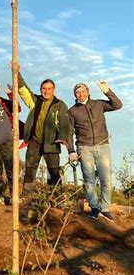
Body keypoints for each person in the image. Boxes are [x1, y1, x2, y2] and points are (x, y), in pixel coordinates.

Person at [67, 81, 122, 221]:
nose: (81, 94)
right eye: (78, 92)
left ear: (88, 91)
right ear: (75, 94)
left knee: (106, 179)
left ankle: (105, 208)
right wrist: (71, 151)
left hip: (103, 145)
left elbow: (117, 105)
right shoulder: (72, 111)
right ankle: (94, 207)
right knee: (89, 180)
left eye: (83, 91)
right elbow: (69, 132)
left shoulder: (99, 104)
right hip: (84, 148)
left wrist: (107, 91)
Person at [17, 70, 70, 198]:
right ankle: (26, 196)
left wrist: (62, 137)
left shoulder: (59, 105)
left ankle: (55, 197)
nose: (46, 91)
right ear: (41, 89)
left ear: (53, 90)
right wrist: (16, 73)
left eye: (49, 89)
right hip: (34, 141)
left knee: (54, 171)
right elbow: (23, 90)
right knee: (30, 170)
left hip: (51, 143)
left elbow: (64, 122)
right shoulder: (35, 101)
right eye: (44, 88)